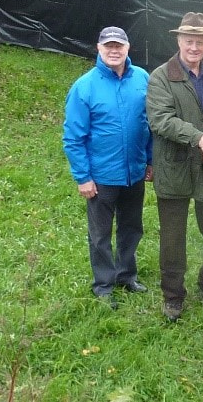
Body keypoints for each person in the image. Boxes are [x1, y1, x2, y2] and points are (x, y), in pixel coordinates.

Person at [146, 12, 203, 322]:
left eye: (200, 42)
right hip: (174, 169)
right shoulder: (161, 76)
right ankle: (173, 296)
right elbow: (161, 120)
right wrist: (201, 139)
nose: (194, 47)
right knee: (173, 237)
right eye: (189, 41)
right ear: (178, 41)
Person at [63, 26, 153, 310]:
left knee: (131, 227)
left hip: (134, 172)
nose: (114, 51)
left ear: (128, 48)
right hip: (101, 177)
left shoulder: (142, 79)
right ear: (98, 49)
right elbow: (73, 137)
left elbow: (149, 125)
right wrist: (83, 177)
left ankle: (127, 275)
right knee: (100, 235)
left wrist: (149, 161)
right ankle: (103, 285)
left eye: (119, 46)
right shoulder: (84, 87)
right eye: (108, 46)